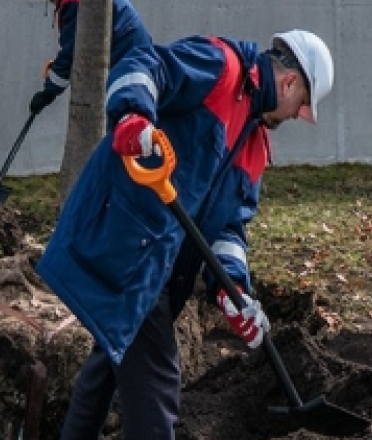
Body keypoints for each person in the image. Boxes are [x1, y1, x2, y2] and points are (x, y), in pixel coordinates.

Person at [37, 30, 334, 440]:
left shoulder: (254, 147)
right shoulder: (221, 67)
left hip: (159, 262)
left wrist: (233, 293)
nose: (295, 116)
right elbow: (144, 66)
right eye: (301, 105)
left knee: (110, 356)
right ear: (289, 82)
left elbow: (229, 227)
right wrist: (132, 116)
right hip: (127, 241)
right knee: (157, 381)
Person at [18, 0, 152, 115]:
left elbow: (70, 51)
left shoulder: (75, 0)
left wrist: (48, 92)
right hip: (131, 54)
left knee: (126, 118)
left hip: (127, 59)